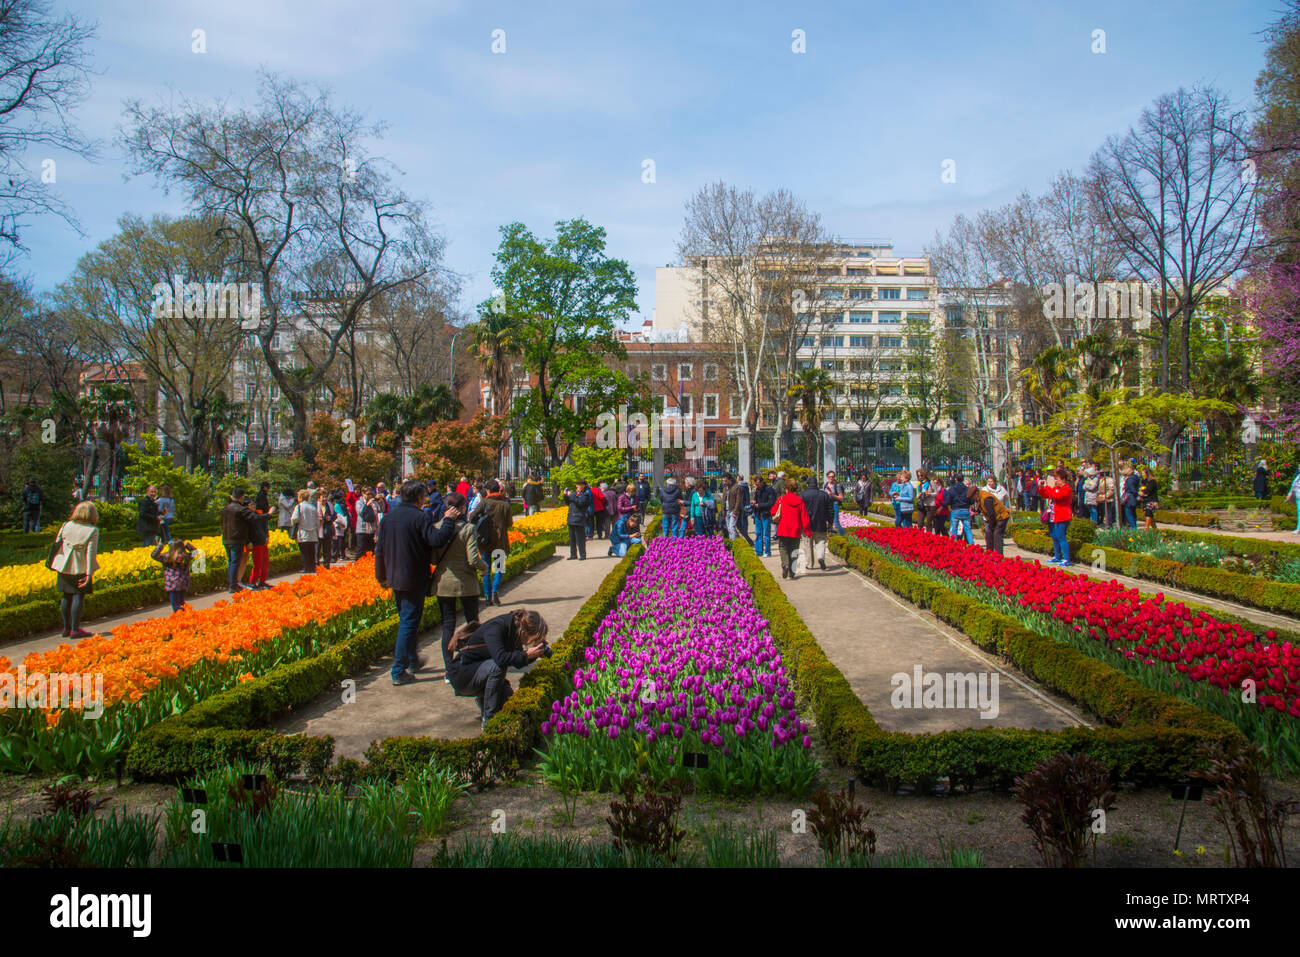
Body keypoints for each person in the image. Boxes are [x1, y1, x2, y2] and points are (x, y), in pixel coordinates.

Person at [375, 479, 464, 686]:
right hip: (413, 577)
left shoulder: (389, 518)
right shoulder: (419, 517)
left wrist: (381, 576)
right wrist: (449, 519)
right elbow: (437, 539)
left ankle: (412, 660)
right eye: (424, 495)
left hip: (395, 577)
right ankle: (398, 670)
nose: (426, 498)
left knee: (407, 619)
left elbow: (379, 550)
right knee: (408, 622)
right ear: (418, 497)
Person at [446, 609, 550, 729]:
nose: (529, 643)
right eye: (533, 639)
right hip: (462, 676)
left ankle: (483, 700)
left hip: (478, 672)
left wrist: (535, 654)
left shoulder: (514, 630)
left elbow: (516, 661)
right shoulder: (497, 627)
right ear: (525, 631)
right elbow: (501, 659)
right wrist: (526, 655)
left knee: (509, 701)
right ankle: (489, 719)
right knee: (497, 668)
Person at [429, 490, 486, 679]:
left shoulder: (437, 527)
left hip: (444, 582)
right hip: (466, 583)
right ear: (462, 508)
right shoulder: (468, 529)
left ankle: (449, 669)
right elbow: (472, 558)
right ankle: (470, 662)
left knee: (448, 625)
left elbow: (434, 557)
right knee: (472, 623)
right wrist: (484, 567)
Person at [50, 501, 100, 639]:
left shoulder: (66, 525)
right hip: (80, 566)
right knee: (78, 596)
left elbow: (57, 543)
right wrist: (89, 574)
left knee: (66, 596)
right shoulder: (92, 530)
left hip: (63, 565)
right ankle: (75, 629)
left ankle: (66, 628)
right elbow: (90, 554)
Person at [469, 479, 513, 604]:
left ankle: (487, 596)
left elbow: (472, 517)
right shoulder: (505, 505)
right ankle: (495, 591)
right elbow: (509, 523)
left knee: (486, 568)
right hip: (499, 540)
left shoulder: (484, 502)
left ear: (488, 490)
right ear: (498, 490)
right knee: (499, 567)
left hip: (485, 540)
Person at [220, 488, 258, 592]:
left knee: (231, 562)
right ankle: (233, 586)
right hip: (237, 540)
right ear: (242, 497)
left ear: (231, 497)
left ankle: (233, 584)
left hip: (226, 539)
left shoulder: (224, 509)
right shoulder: (241, 509)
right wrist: (268, 515)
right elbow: (254, 518)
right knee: (235, 562)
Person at [773, 478, 812, 580]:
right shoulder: (799, 501)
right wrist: (807, 531)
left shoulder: (781, 499)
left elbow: (773, 511)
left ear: (786, 489)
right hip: (795, 529)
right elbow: (805, 518)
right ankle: (792, 572)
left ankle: (785, 565)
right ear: (795, 489)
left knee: (783, 548)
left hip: (783, 528)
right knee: (794, 550)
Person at [1039, 468, 1075, 566]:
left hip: (1062, 516)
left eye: (1057, 479)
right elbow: (1046, 495)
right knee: (1054, 536)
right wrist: (1042, 488)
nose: (1056, 481)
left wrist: (1048, 487)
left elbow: (1057, 496)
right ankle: (1057, 555)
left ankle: (1067, 558)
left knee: (1061, 537)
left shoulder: (1067, 489)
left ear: (1063, 479)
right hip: (1053, 516)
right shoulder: (1055, 488)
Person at [152, 539, 198, 611]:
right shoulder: (185, 556)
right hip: (183, 583)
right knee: (181, 602)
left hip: (172, 584)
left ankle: (180, 617)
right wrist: (186, 545)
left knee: (175, 603)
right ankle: (185, 615)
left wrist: (160, 546)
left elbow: (154, 555)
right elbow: (195, 551)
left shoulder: (167, 557)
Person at [800, 476, 833, 571]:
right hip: (821, 523)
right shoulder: (824, 495)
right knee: (821, 542)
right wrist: (830, 522)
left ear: (807, 484)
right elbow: (830, 510)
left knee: (807, 544)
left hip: (806, 524)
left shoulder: (802, 495)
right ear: (817, 484)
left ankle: (809, 564)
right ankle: (821, 558)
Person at [976, 474, 1011, 555]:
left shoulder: (1001, 489)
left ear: (994, 482)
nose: (989, 483)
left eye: (991, 481)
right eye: (988, 481)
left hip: (999, 515)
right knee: (989, 532)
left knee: (997, 534)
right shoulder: (984, 490)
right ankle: (990, 551)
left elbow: (1006, 498)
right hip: (989, 516)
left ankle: (998, 553)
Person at [290, 489, 320, 573]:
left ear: (300, 497)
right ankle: (312, 567)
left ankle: (306, 568)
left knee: (304, 552)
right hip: (313, 532)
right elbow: (317, 521)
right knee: (312, 551)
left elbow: (294, 518)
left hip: (303, 532)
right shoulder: (312, 507)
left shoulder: (299, 506)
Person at [246, 492, 271, 590]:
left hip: (263, 541)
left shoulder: (258, 514)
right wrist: (249, 541)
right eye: (251, 504)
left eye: (254, 504)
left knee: (265, 563)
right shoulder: (248, 517)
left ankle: (262, 581)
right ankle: (252, 582)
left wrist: (267, 536)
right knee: (258, 563)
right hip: (256, 542)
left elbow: (265, 526)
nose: (254, 505)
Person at [562, 481, 593, 560]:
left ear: (583, 486)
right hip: (571, 518)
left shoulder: (585, 495)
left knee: (580, 538)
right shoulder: (574, 494)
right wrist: (565, 495)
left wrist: (572, 497)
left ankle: (582, 554)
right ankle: (573, 554)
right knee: (572, 539)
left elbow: (580, 503)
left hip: (579, 518)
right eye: (578, 485)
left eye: (580, 485)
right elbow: (568, 502)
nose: (578, 486)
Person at [752, 475, 776, 558]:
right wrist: (754, 502)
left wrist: (759, 505)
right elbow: (756, 500)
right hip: (758, 514)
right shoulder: (757, 490)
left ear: (762, 482)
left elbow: (771, 502)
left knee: (766, 534)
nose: (757, 486)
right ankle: (758, 551)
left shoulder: (769, 489)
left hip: (765, 513)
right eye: (756, 484)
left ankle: (767, 552)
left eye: (758, 484)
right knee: (758, 533)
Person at [946, 473, 974, 545]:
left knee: (954, 529)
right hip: (965, 509)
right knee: (968, 529)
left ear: (956, 479)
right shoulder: (967, 489)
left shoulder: (952, 489)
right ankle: (971, 544)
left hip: (955, 509)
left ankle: (954, 544)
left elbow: (948, 500)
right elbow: (971, 500)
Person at [356, 489, 378, 557]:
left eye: (370, 494)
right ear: (363, 494)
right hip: (362, 529)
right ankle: (358, 565)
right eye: (368, 494)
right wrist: (367, 505)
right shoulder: (359, 502)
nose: (369, 496)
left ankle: (369, 565)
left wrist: (381, 501)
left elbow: (380, 509)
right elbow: (360, 512)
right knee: (361, 549)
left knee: (370, 550)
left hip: (371, 529)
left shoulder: (373, 502)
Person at [1139, 467, 1160, 531]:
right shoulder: (1143, 481)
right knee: (1150, 516)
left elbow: (1148, 490)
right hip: (1146, 500)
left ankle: (1146, 528)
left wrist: (1143, 492)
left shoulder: (1152, 481)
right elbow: (1141, 488)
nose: (1142, 474)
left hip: (1152, 500)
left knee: (1148, 513)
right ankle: (1155, 530)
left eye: (1143, 473)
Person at [1285, 467, 1300, 535]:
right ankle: (1298, 528)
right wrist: (1289, 494)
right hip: (1298, 497)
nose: (1299, 468)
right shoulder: (1297, 477)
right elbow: (1293, 487)